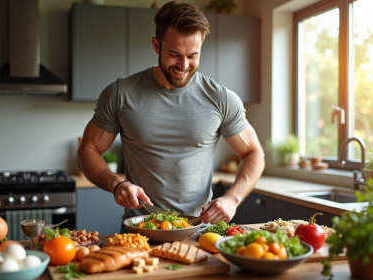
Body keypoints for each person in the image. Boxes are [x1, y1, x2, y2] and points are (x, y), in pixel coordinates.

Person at [77, 1, 265, 233]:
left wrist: (233, 199)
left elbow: (253, 152)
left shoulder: (221, 98)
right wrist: (116, 183)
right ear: (156, 45)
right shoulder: (121, 94)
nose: (184, 65)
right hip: (140, 232)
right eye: (174, 54)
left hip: (200, 232)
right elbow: (88, 150)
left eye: (193, 56)